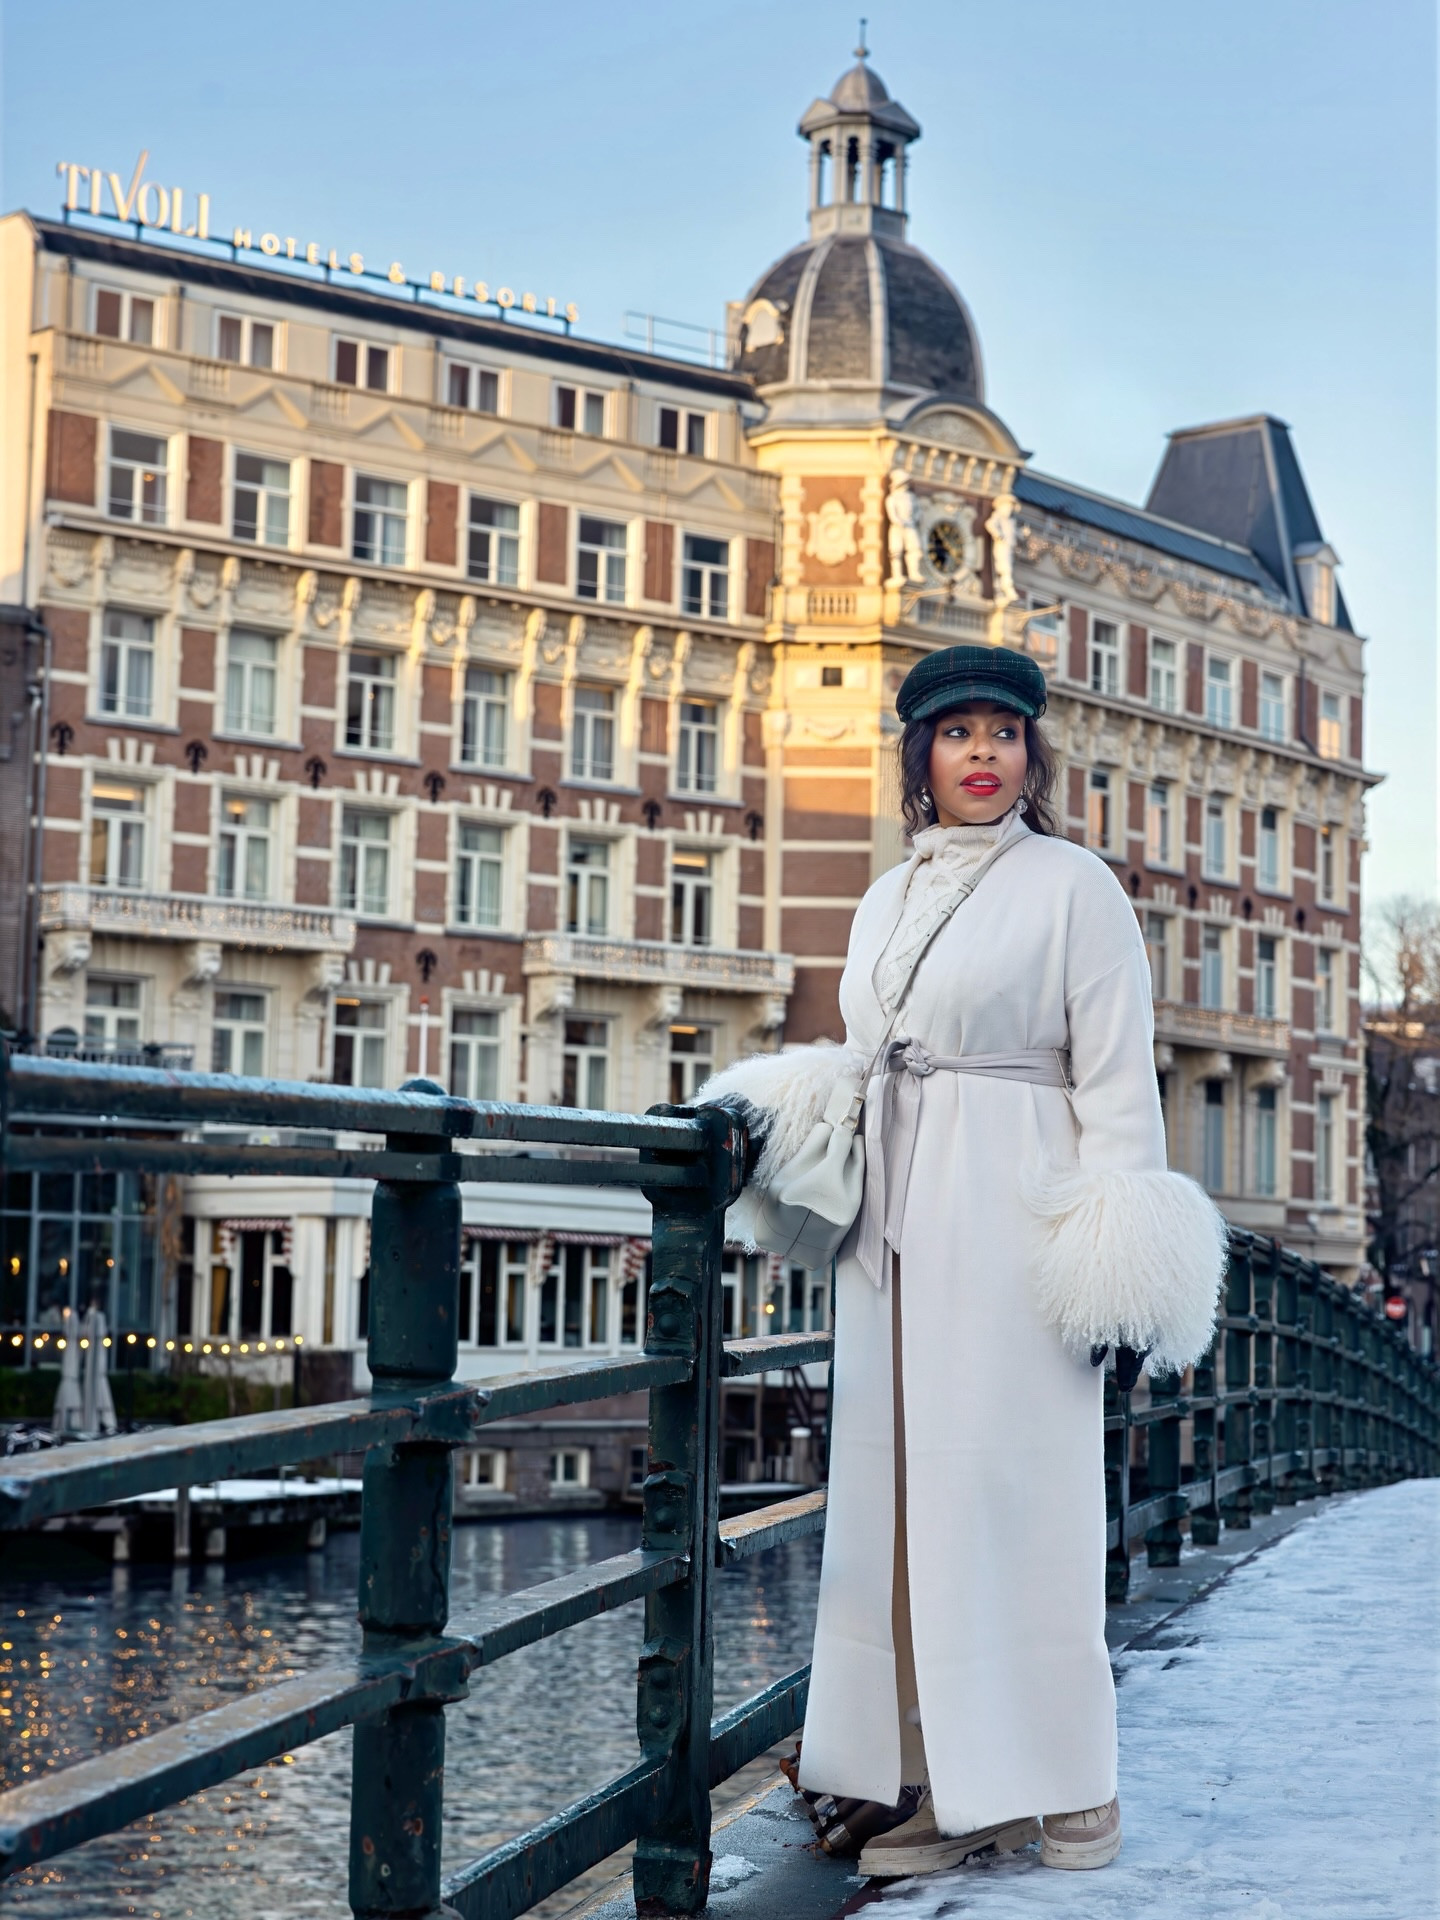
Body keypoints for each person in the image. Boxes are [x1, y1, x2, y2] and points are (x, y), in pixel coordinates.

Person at [699, 644, 1225, 1878]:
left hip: (1017, 1214)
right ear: (920, 758)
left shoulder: (1073, 886)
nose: (982, 753)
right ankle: (944, 1776)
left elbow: (1116, 1086)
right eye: (957, 733)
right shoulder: (886, 898)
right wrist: (758, 1110)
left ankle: (1071, 1786)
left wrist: (1117, 1264)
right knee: (899, 1509)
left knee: (1018, 1501)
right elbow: (864, 1050)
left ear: (1031, 756)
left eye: (1003, 733)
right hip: (893, 1229)